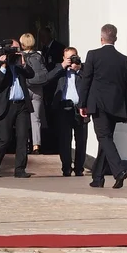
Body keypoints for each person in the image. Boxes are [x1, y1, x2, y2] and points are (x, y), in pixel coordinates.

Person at [78, 24, 127, 189]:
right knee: (106, 138)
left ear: (101, 39)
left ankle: (119, 170)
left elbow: (86, 80)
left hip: (98, 105)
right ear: (115, 38)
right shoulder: (125, 60)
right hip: (116, 105)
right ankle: (98, 178)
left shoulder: (93, 55)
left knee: (104, 138)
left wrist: (82, 103)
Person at [0, 40, 35, 178]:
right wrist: (3, 65)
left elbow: (31, 74)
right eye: (14, 49)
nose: (16, 51)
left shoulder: (19, 63)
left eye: (18, 48)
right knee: (5, 139)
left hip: (21, 105)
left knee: (22, 138)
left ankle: (20, 169)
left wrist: (23, 63)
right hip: (6, 106)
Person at [20, 33, 66, 155]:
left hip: (25, 89)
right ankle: (36, 145)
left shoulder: (19, 56)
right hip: (38, 90)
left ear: (23, 44)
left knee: (23, 118)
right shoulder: (39, 55)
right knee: (36, 118)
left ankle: (25, 143)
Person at [51, 47, 88, 177]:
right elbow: (48, 78)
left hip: (80, 107)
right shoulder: (59, 68)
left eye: (73, 57)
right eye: (68, 58)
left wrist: (78, 69)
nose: (71, 60)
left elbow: (90, 81)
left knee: (81, 140)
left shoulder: (83, 69)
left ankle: (79, 168)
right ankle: (66, 167)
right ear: (63, 58)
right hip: (64, 107)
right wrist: (63, 66)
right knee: (65, 139)